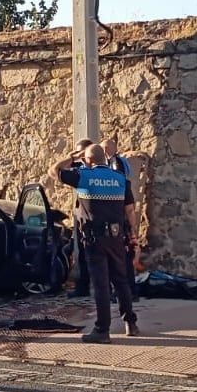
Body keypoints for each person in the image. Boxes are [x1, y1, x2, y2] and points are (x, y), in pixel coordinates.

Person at [54, 144, 140, 343]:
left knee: (101, 284)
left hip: (94, 239)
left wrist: (71, 157)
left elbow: (54, 171)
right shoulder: (120, 179)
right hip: (117, 238)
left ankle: (102, 330)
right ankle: (131, 323)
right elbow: (129, 211)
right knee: (121, 281)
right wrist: (133, 237)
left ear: (89, 160)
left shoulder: (83, 177)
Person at [102, 137, 138, 298]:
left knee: (116, 259)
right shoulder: (122, 164)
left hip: (116, 222)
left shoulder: (113, 168)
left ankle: (120, 292)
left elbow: (129, 209)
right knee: (124, 259)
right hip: (122, 222)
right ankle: (129, 291)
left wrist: (132, 229)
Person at [67, 138, 94, 298]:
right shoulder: (79, 167)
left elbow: (54, 170)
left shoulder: (101, 167)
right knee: (79, 251)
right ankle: (82, 287)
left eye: (81, 152)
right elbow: (59, 169)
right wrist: (72, 157)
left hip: (96, 215)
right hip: (81, 215)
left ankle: (107, 289)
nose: (79, 156)